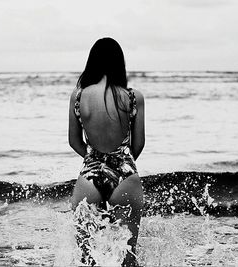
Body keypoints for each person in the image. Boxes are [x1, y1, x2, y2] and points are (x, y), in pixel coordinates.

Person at [68, 37, 145, 266]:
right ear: (118, 63)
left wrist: (96, 161)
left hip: (89, 178)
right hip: (125, 178)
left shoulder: (79, 96)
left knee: (87, 259)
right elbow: (138, 144)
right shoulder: (133, 97)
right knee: (128, 259)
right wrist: (120, 164)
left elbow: (74, 141)